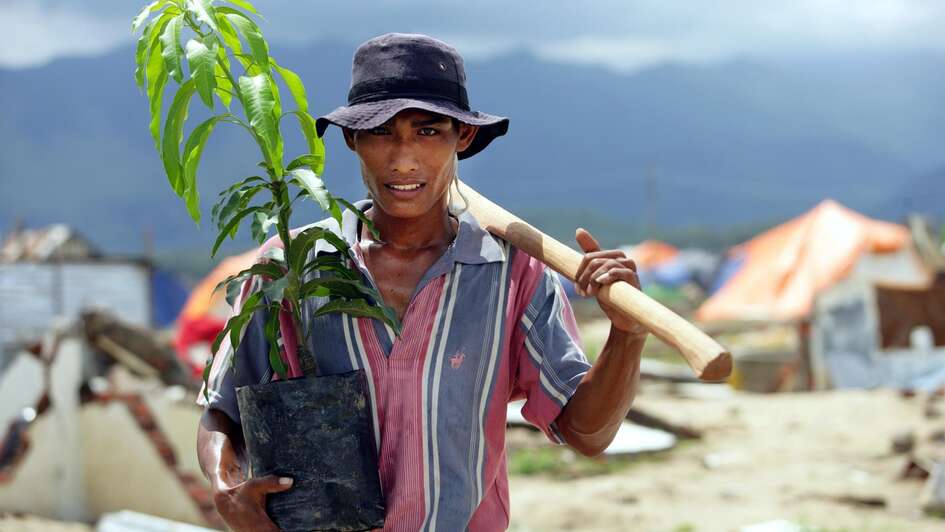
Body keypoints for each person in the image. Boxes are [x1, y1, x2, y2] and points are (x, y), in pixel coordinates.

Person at [196, 33, 647, 531]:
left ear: (463, 137)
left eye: (428, 132)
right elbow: (222, 408)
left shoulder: (512, 272)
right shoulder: (292, 265)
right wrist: (226, 489)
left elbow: (584, 432)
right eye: (381, 133)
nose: (403, 159)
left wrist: (627, 335)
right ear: (352, 140)